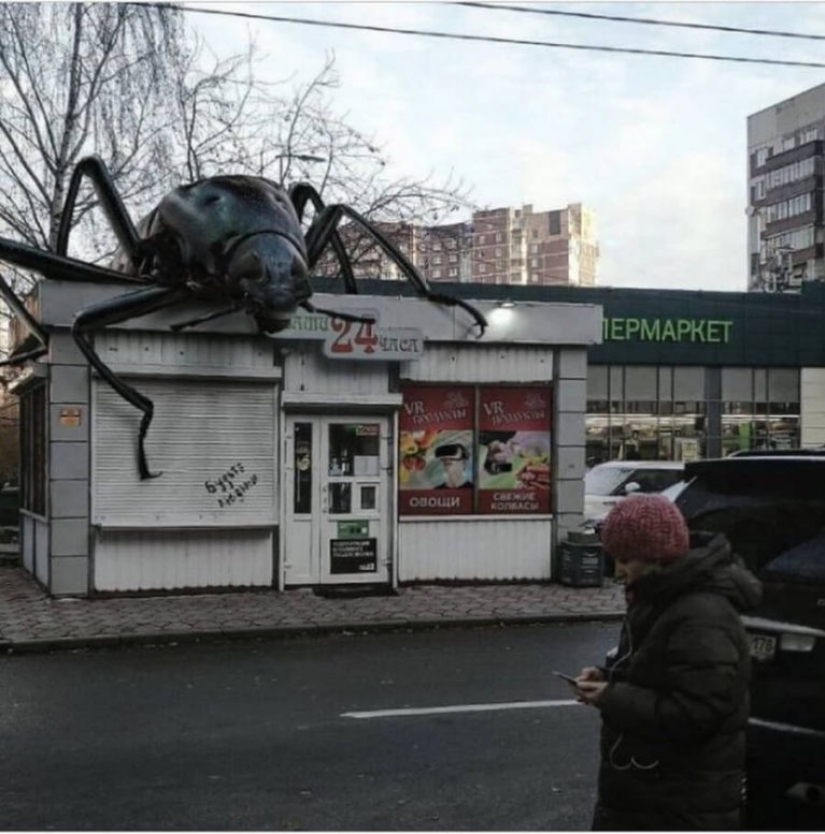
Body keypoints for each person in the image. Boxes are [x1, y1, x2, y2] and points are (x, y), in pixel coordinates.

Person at [573, 494, 762, 831]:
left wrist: (611, 697)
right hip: (650, 793)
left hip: (679, 804)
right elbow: (655, 670)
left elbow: (696, 712)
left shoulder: (701, 614)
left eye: (626, 559)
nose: (617, 572)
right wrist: (607, 678)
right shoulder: (660, 597)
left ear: (656, 557)